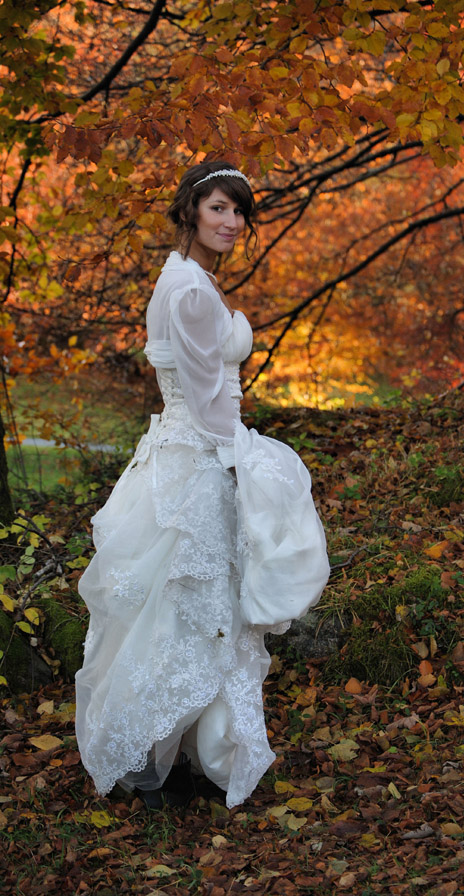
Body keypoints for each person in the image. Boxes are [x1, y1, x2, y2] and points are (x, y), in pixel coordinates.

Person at [75, 161, 330, 811]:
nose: (232, 223)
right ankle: (142, 758)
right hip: (197, 457)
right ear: (191, 210)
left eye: (240, 212)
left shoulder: (182, 278)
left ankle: (165, 750)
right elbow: (207, 396)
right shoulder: (190, 290)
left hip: (185, 451)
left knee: (187, 610)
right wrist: (244, 457)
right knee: (184, 611)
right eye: (219, 208)